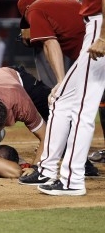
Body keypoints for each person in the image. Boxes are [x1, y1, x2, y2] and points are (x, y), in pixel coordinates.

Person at [18, 0, 105, 196]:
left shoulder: (35, 10)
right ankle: (47, 170)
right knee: (61, 99)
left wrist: (103, 37)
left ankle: (72, 180)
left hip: (100, 26)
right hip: (94, 25)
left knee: (82, 109)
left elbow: (50, 44)